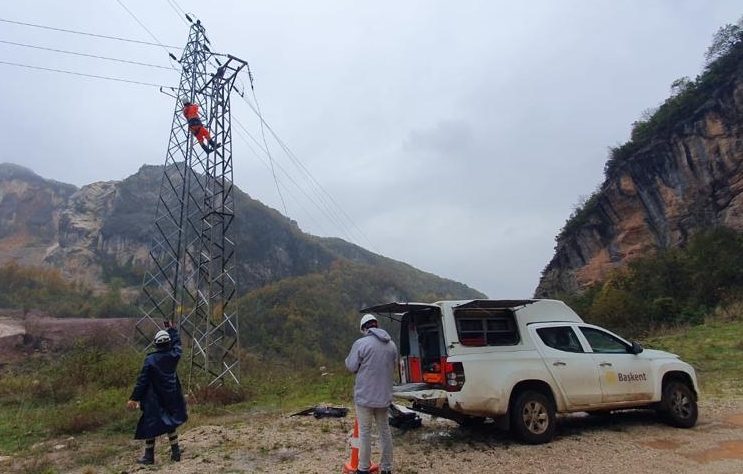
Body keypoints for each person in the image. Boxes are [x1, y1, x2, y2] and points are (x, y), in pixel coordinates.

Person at [126, 320, 188, 465]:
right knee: (170, 423)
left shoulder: (151, 360)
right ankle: (176, 452)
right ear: (168, 343)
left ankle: (149, 456)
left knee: (150, 424)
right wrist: (172, 330)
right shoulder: (174, 355)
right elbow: (177, 345)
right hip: (171, 395)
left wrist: (134, 398)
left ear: (156, 343)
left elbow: (142, 381)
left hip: (154, 398)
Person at [345, 314, 398, 474]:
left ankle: (363, 468)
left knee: (365, 432)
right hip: (384, 397)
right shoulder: (392, 345)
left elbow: (351, 366)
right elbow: (393, 367)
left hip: (365, 397)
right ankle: (387, 468)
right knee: (384, 431)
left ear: (364, 328)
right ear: (376, 326)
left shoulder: (361, 343)